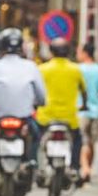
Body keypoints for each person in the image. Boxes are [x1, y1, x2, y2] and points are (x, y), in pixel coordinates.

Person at [0, 28, 47, 170]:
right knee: (37, 135)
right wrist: (37, 103)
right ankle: (32, 161)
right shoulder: (31, 67)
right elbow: (42, 97)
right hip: (24, 118)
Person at [36, 38, 88, 176]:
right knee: (77, 140)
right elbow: (84, 91)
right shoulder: (75, 69)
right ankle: (75, 168)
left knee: (35, 139)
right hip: (69, 117)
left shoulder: (42, 69)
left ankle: (34, 165)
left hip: (46, 116)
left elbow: (35, 91)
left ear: (51, 51)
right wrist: (84, 106)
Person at [76, 43, 98, 182]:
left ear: (85, 53)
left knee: (83, 141)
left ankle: (85, 168)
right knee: (91, 141)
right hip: (97, 111)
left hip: (81, 110)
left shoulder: (78, 70)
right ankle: (87, 168)